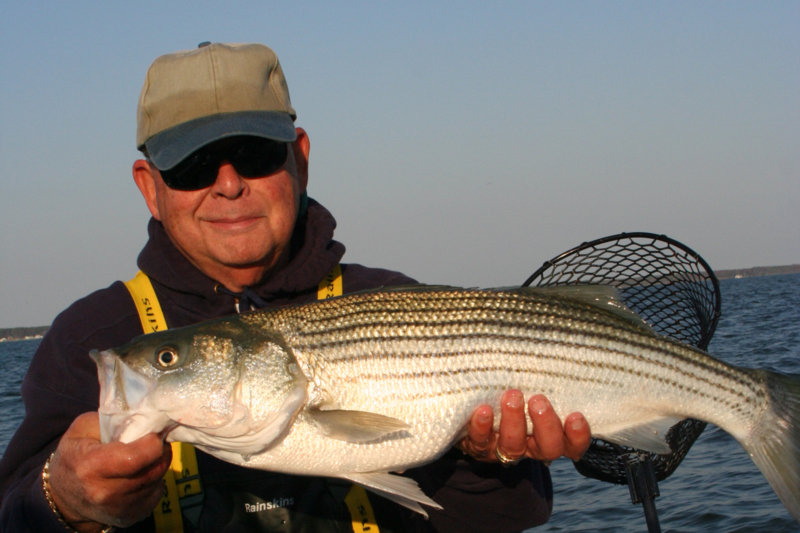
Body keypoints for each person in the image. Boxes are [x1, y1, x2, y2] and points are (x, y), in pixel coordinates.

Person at [0, 42, 591, 533]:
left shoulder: (394, 301)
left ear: (300, 161)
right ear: (149, 187)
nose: (228, 185)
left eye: (254, 154)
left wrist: (484, 459)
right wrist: (62, 500)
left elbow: (513, 514)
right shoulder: (89, 336)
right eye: (191, 167)